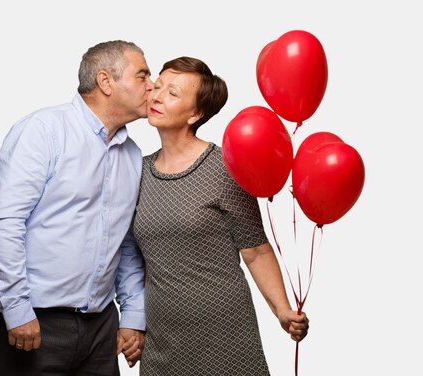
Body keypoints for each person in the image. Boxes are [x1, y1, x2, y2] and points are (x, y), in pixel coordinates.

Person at [121, 56, 309, 375]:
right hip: (163, 341)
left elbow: (256, 250)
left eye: (173, 92)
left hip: (226, 335)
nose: (157, 95)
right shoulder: (137, 172)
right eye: (159, 84)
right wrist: (132, 322)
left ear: (196, 113)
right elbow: (139, 261)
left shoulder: (224, 168)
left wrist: (282, 310)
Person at [0, 40, 152, 375]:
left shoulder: (132, 154)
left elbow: (126, 244)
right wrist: (17, 310)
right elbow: (2, 223)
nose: (153, 85)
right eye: (142, 75)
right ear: (106, 82)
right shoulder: (43, 131)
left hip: (101, 327)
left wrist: (133, 316)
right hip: (34, 322)